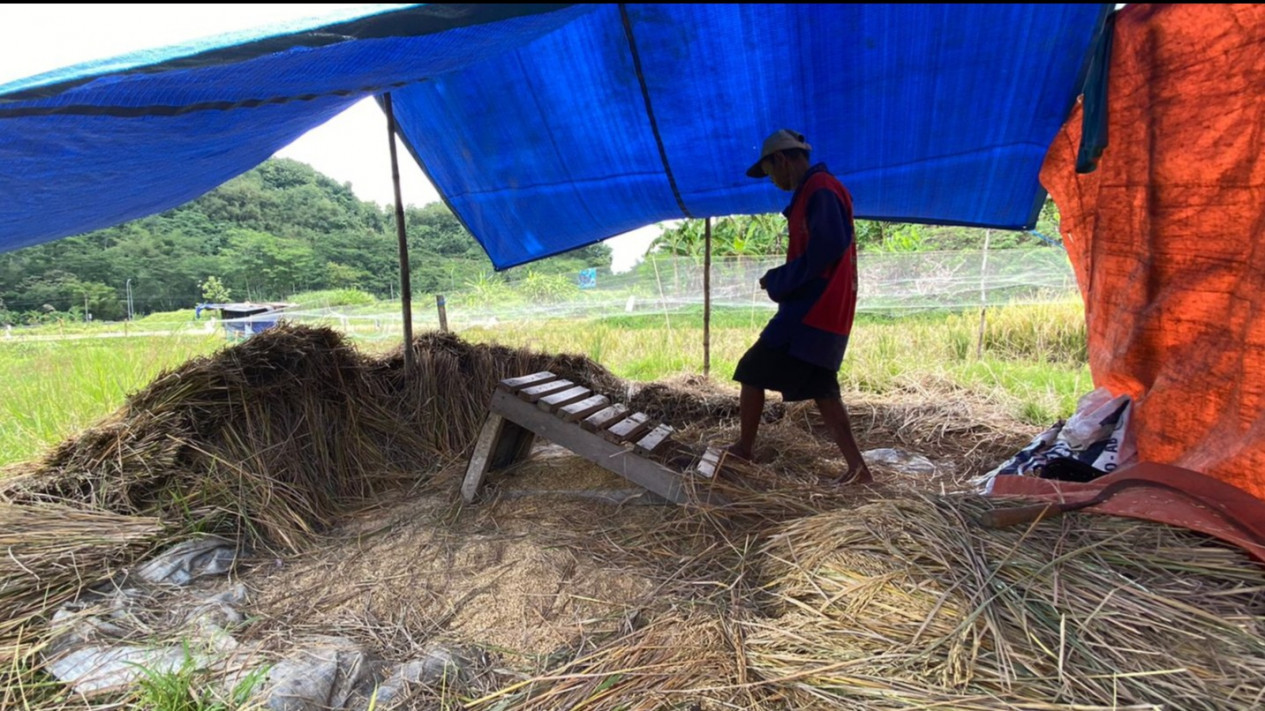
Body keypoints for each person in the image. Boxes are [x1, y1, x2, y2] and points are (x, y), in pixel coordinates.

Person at [727, 129, 872, 484]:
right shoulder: (817, 190)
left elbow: (827, 249)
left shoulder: (820, 189)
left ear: (782, 160)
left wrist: (780, 279)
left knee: (751, 370)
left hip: (811, 309)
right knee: (822, 387)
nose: (774, 181)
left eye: (771, 173)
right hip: (827, 309)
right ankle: (858, 469)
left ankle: (744, 450)